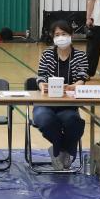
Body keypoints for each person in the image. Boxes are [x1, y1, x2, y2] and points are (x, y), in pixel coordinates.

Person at [35, 20, 89, 170]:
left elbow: (82, 77)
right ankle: (62, 150)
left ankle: (58, 151)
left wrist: (73, 87)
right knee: (45, 120)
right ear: (53, 37)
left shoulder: (80, 56)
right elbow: (40, 76)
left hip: (68, 105)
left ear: (71, 35)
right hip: (46, 103)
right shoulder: (47, 54)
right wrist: (42, 86)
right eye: (57, 34)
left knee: (74, 122)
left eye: (64, 34)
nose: (60, 37)